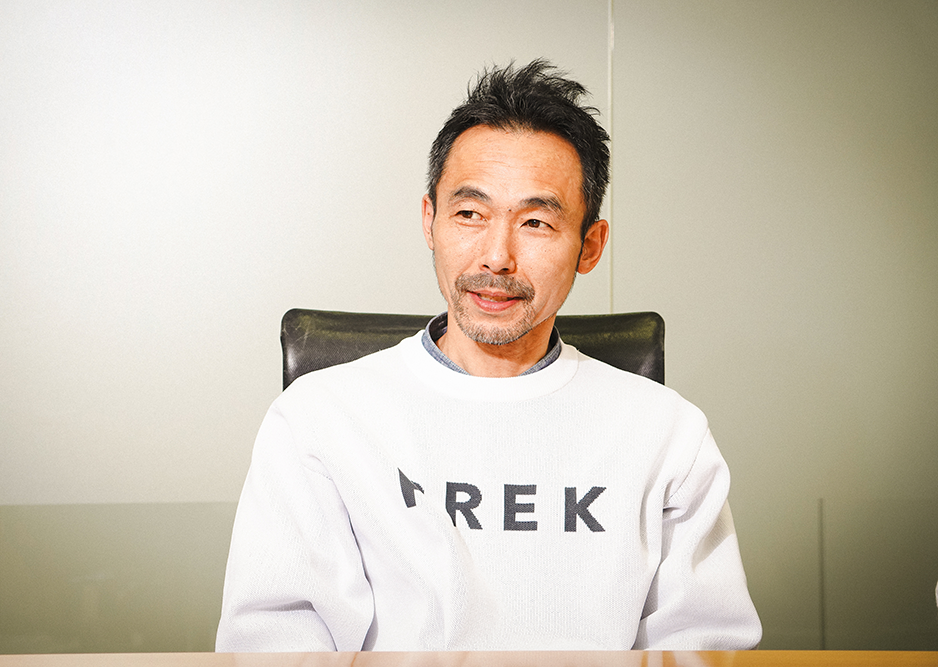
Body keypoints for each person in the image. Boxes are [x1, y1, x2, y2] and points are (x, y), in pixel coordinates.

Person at [215, 59, 762, 652]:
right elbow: (275, 646)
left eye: (536, 222)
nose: (497, 257)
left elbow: (705, 649)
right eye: (470, 214)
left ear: (590, 245)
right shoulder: (319, 420)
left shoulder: (667, 434)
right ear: (430, 221)